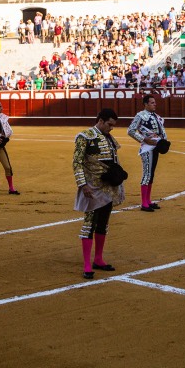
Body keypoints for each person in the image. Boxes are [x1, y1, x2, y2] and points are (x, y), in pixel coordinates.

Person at [74, 108, 126, 280]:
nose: (111, 128)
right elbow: (77, 162)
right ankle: (87, 265)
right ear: (101, 121)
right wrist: (83, 184)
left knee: (103, 223)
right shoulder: (85, 136)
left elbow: (114, 161)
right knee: (89, 224)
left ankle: (98, 259)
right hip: (92, 187)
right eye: (109, 124)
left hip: (108, 186)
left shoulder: (109, 138)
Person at [127, 94, 167, 212]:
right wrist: (144, 139)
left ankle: (148, 201)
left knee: (151, 174)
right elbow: (130, 130)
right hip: (147, 148)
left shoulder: (156, 116)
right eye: (152, 103)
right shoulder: (140, 115)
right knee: (147, 174)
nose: (155, 104)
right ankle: (144, 203)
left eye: (155, 102)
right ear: (146, 104)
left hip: (156, 146)